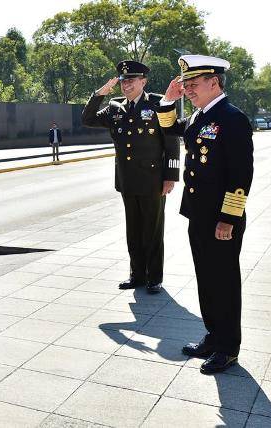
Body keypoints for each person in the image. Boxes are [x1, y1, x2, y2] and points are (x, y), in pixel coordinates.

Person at [156, 54, 254, 374]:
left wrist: (229, 218)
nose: (188, 90)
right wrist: (168, 101)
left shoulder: (232, 118)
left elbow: (241, 175)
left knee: (224, 282)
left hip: (221, 219)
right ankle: (213, 336)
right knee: (207, 279)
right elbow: (170, 130)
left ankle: (228, 348)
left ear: (214, 82)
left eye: (193, 84)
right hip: (198, 214)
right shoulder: (201, 116)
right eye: (185, 85)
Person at [82, 60, 180, 294]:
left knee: (152, 231)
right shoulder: (115, 107)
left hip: (153, 180)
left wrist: (171, 177)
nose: (126, 85)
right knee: (133, 230)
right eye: (123, 82)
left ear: (143, 81)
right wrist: (101, 93)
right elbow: (87, 119)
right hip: (127, 179)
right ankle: (136, 275)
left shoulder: (158, 103)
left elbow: (172, 141)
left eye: (131, 81)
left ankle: (154, 277)